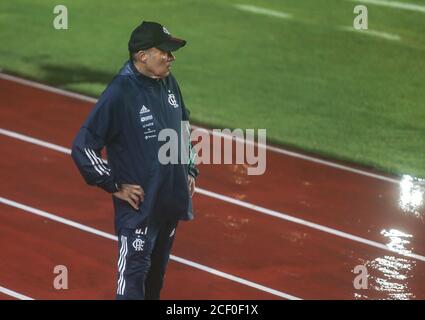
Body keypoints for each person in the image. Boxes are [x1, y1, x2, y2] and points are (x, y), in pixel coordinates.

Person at [71, 21, 199, 300]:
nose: (171, 57)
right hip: (139, 207)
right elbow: (83, 146)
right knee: (132, 282)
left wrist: (189, 168)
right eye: (164, 51)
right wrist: (113, 183)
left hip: (169, 200)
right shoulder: (120, 92)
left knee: (154, 282)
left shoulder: (168, 83)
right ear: (143, 56)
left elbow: (182, 127)